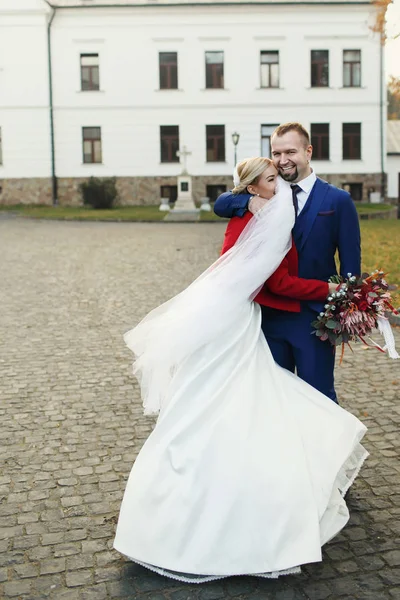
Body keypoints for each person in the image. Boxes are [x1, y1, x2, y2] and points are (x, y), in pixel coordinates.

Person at [113, 157, 367, 583]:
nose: (279, 181)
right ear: (254, 188)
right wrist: (332, 288)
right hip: (237, 321)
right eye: (270, 178)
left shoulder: (251, 210)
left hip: (227, 316)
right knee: (243, 398)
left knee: (214, 398)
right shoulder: (258, 216)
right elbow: (279, 284)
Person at [214, 122, 361, 402]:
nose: (282, 161)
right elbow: (222, 202)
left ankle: (325, 447)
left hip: (315, 320)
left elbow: (351, 266)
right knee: (271, 399)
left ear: (308, 151)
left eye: (290, 152)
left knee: (318, 398)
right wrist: (245, 203)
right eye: (276, 153)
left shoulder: (338, 201)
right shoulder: (264, 190)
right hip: (268, 318)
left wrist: (345, 313)